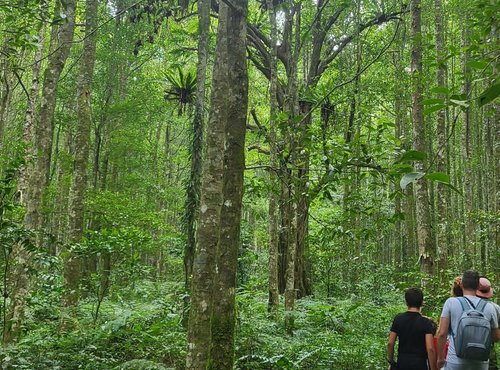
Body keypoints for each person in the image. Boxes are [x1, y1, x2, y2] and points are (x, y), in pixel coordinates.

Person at [436, 270, 500, 369]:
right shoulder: (489, 307)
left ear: (461, 285)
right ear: (478, 287)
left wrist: (440, 358)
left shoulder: (451, 302)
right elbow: (496, 337)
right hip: (481, 363)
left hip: (456, 360)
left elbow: (442, 333)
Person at [387, 287, 437, 370]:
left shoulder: (398, 319)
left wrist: (391, 361)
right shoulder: (426, 322)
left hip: (402, 363)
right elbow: (430, 348)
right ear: (421, 302)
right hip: (420, 364)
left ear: (406, 302)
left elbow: (390, 343)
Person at [476, 277, 500, 370]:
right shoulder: (495, 308)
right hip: (488, 347)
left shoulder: (466, 305)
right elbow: (497, 335)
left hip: (466, 348)